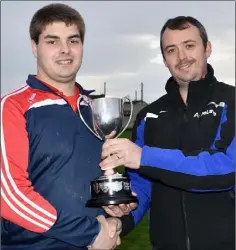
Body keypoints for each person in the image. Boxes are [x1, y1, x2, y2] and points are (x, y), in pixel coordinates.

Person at [100, 16, 235, 250]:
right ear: (164, 59)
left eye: (189, 46)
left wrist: (143, 157)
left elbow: (226, 168)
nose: (182, 57)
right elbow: (143, 186)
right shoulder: (148, 117)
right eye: (171, 50)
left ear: (208, 48)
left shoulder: (231, 101)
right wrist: (122, 216)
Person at [1, 3, 122, 250]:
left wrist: (116, 210)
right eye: (52, 41)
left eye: (73, 40)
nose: (65, 50)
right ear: (35, 47)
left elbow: (98, 176)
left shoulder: (94, 109)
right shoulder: (14, 106)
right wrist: (89, 233)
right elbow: (9, 196)